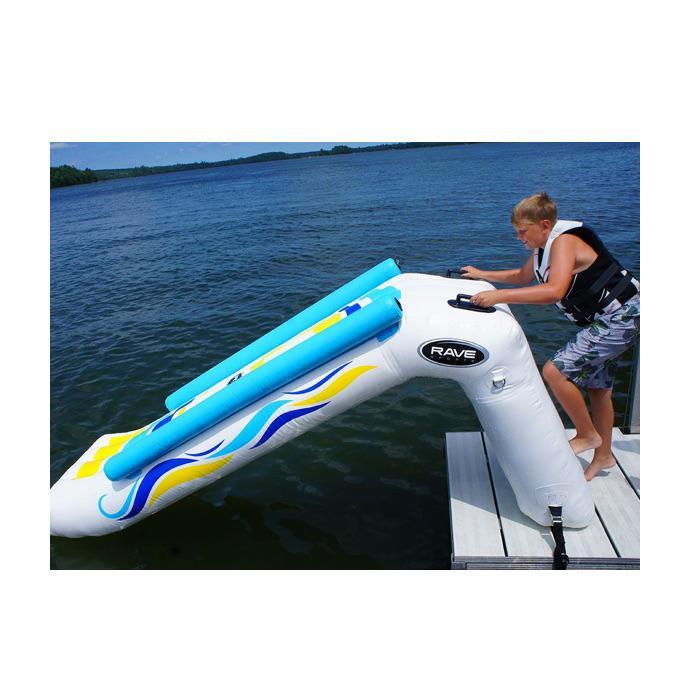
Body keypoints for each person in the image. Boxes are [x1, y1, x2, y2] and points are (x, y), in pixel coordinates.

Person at [461, 192, 640, 480]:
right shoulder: (542, 247)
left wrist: (498, 297)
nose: (519, 237)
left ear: (545, 225)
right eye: (516, 232)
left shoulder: (565, 242)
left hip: (622, 315)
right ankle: (604, 456)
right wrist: (480, 273)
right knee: (598, 388)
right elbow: (523, 276)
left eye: (523, 231)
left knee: (555, 372)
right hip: (611, 317)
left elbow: (554, 291)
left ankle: (586, 435)